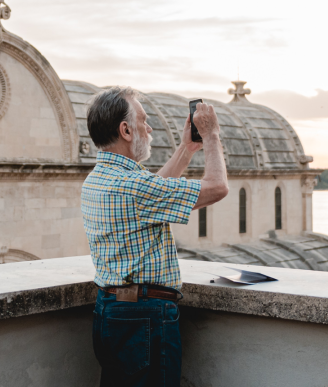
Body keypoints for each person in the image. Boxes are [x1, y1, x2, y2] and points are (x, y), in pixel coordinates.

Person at [81, 87, 229, 387]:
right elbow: (217, 187)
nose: (149, 128)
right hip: (143, 318)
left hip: (109, 312)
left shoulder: (97, 180)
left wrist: (186, 150)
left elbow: (151, 193)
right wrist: (211, 135)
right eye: (144, 120)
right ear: (126, 129)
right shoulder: (134, 187)